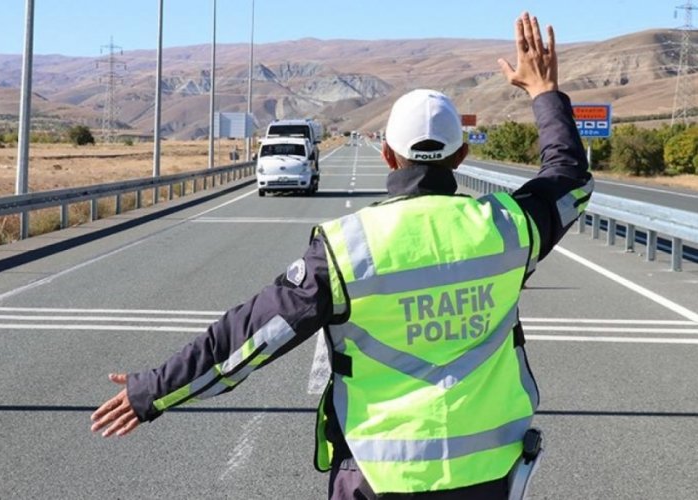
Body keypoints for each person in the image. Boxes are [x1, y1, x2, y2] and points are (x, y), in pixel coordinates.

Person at [91, 12, 593, 500]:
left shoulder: (347, 250)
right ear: (460, 158)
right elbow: (569, 176)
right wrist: (544, 92)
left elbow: (246, 338)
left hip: (379, 477)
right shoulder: (509, 227)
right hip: (491, 472)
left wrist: (152, 391)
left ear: (387, 156)